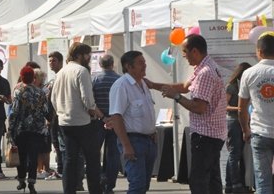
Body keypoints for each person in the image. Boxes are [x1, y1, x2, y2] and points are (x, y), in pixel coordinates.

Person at [147, 34, 227, 194]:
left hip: (206, 134)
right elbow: (184, 86)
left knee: (199, 181)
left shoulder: (205, 73)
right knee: (211, 179)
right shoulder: (205, 67)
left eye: (185, 52)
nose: (183, 56)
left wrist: (176, 97)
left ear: (195, 51)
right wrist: (154, 85)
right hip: (213, 134)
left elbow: (199, 107)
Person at [51, 42, 103, 194]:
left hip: (65, 121)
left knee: (70, 159)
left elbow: (53, 98)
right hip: (82, 122)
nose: (89, 58)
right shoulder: (82, 71)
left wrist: (61, 112)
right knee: (92, 159)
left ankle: (68, 190)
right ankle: (95, 190)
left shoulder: (61, 72)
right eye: (88, 55)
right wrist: (99, 114)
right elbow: (88, 100)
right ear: (80, 55)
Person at [109, 51, 156, 194]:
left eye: (144, 62)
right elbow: (116, 117)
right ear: (128, 67)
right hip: (133, 141)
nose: (145, 65)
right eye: (140, 63)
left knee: (143, 185)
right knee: (137, 185)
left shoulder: (143, 83)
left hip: (148, 141)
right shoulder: (121, 85)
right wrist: (126, 145)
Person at [239, 33, 274, 194]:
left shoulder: (249, 73)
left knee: (263, 183)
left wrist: (245, 130)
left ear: (259, 51)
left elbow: (242, 107)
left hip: (260, 133)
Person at [9, 66, 50, 194]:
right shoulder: (41, 92)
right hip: (37, 129)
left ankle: (21, 180)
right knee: (33, 156)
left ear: (22, 77)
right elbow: (46, 111)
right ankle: (32, 182)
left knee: (20, 156)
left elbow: (14, 112)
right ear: (33, 78)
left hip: (21, 129)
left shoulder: (18, 92)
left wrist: (10, 129)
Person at [92, 54, 121, 194]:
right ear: (112, 63)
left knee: (95, 152)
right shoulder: (119, 79)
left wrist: (103, 117)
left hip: (99, 120)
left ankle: (98, 180)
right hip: (116, 121)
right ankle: (109, 185)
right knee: (113, 154)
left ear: (100, 64)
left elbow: (92, 102)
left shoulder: (95, 79)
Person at [225, 62, 252, 194]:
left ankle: (233, 185)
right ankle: (235, 185)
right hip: (233, 121)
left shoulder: (245, 87)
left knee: (239, 155)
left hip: (242, 121)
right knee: (234, 154)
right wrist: (240, 108)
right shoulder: (231, 87)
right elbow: (224, 106)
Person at [45, 51, 64, 180]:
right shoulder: (53, 79)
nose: (51, 63)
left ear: (61, 62)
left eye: (54, 61)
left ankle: (62, 168)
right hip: (53, 118)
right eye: (50, 61)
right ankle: (60, 167)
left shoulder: (62, 76)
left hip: (60, 116)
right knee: (56, 144)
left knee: (61, 143)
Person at [33, 68, 51, 179]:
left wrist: (48, 119)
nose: (34, 79)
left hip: (44, 121)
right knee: (38, 148)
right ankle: (38, 169)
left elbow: (47, 107)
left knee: (46, 147)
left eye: (36, 77)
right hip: (34, 123)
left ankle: (46, 169)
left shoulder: (45, 89)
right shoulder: (30, 89)